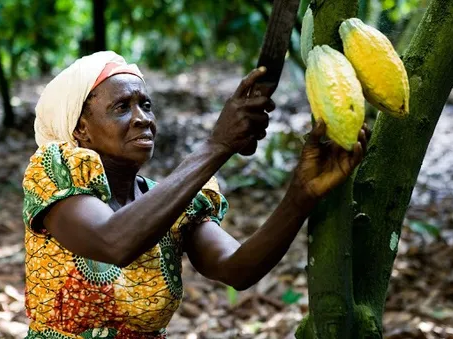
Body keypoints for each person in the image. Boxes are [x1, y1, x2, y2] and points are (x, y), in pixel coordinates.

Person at [22, 51, 368, 339]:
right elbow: (114, 242)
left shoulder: (173, 201)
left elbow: (238, 268)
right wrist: (217, 145)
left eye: (146, 104)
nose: (143, 118)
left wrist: (301, 193)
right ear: (80, 127)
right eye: (122, 107)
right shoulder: (55, 173)